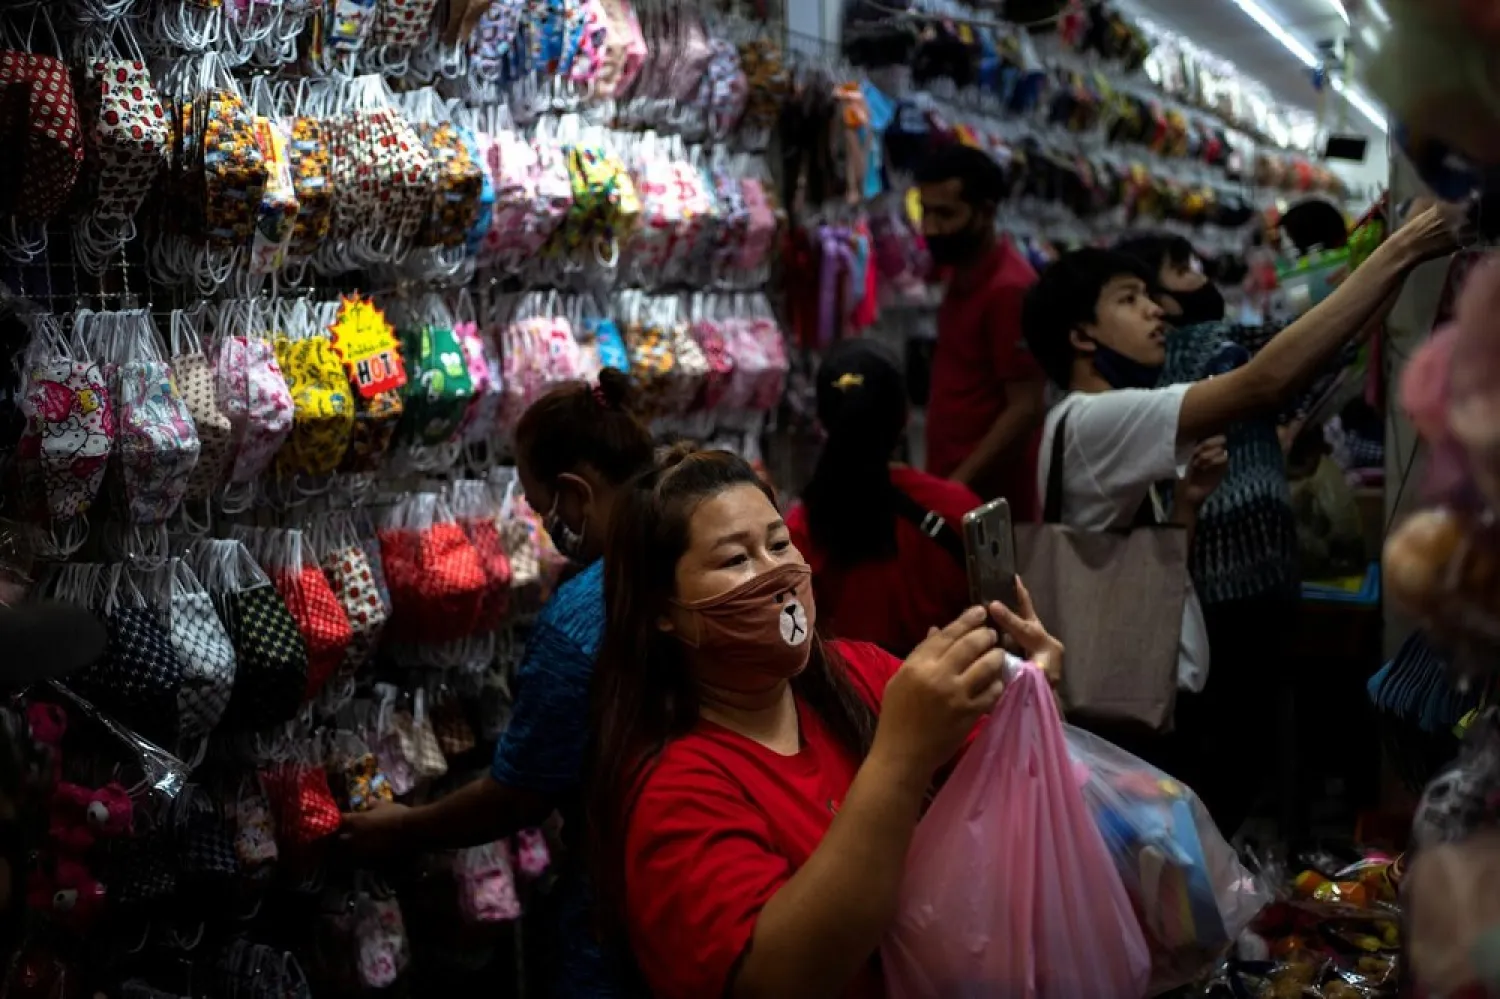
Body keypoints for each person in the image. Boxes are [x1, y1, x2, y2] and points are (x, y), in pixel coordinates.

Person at [1020, 203, 1458, 831]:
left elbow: (1146, 555)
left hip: (1154, 687)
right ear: (1081, 336)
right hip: (1134, 701)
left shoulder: (1095, 416)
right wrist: (1403, 249)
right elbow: (1266, 383)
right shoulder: (1094, 419)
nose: (1157, 311)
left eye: (1151, 295)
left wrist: (1188, 503)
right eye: (1129, 300)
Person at [586, 448, 1062, 999]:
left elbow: (1010, 788)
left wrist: (1031, 700)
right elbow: (779, 977)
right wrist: (901, 756)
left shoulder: (859, 672)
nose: (777, 573)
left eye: (780, 544)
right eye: (736, 560)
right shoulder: (675, 788)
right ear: (661, 610)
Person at [340, 369, 655, 998]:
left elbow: (521, 793)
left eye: (543, 512)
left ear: (575, 494)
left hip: (628, 897)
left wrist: (404, 824)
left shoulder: (585, 614)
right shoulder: (691, 550)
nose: (548, 530)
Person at [786, 338, 981, 656]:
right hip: (951, 693)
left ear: (822, 422)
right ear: (904, 418)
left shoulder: (799, 529)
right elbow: (998, 621)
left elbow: (792, 635)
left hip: (846, 698)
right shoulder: (962, 511)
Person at [916, 143, 1047, 518]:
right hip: (958, 492)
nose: (930, 228)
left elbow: (1025, 408)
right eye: (924, 212)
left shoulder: (1009, 289)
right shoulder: (961, 274)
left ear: (986, 212)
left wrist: (955, 487)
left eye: (945, 214)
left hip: (990, 506)